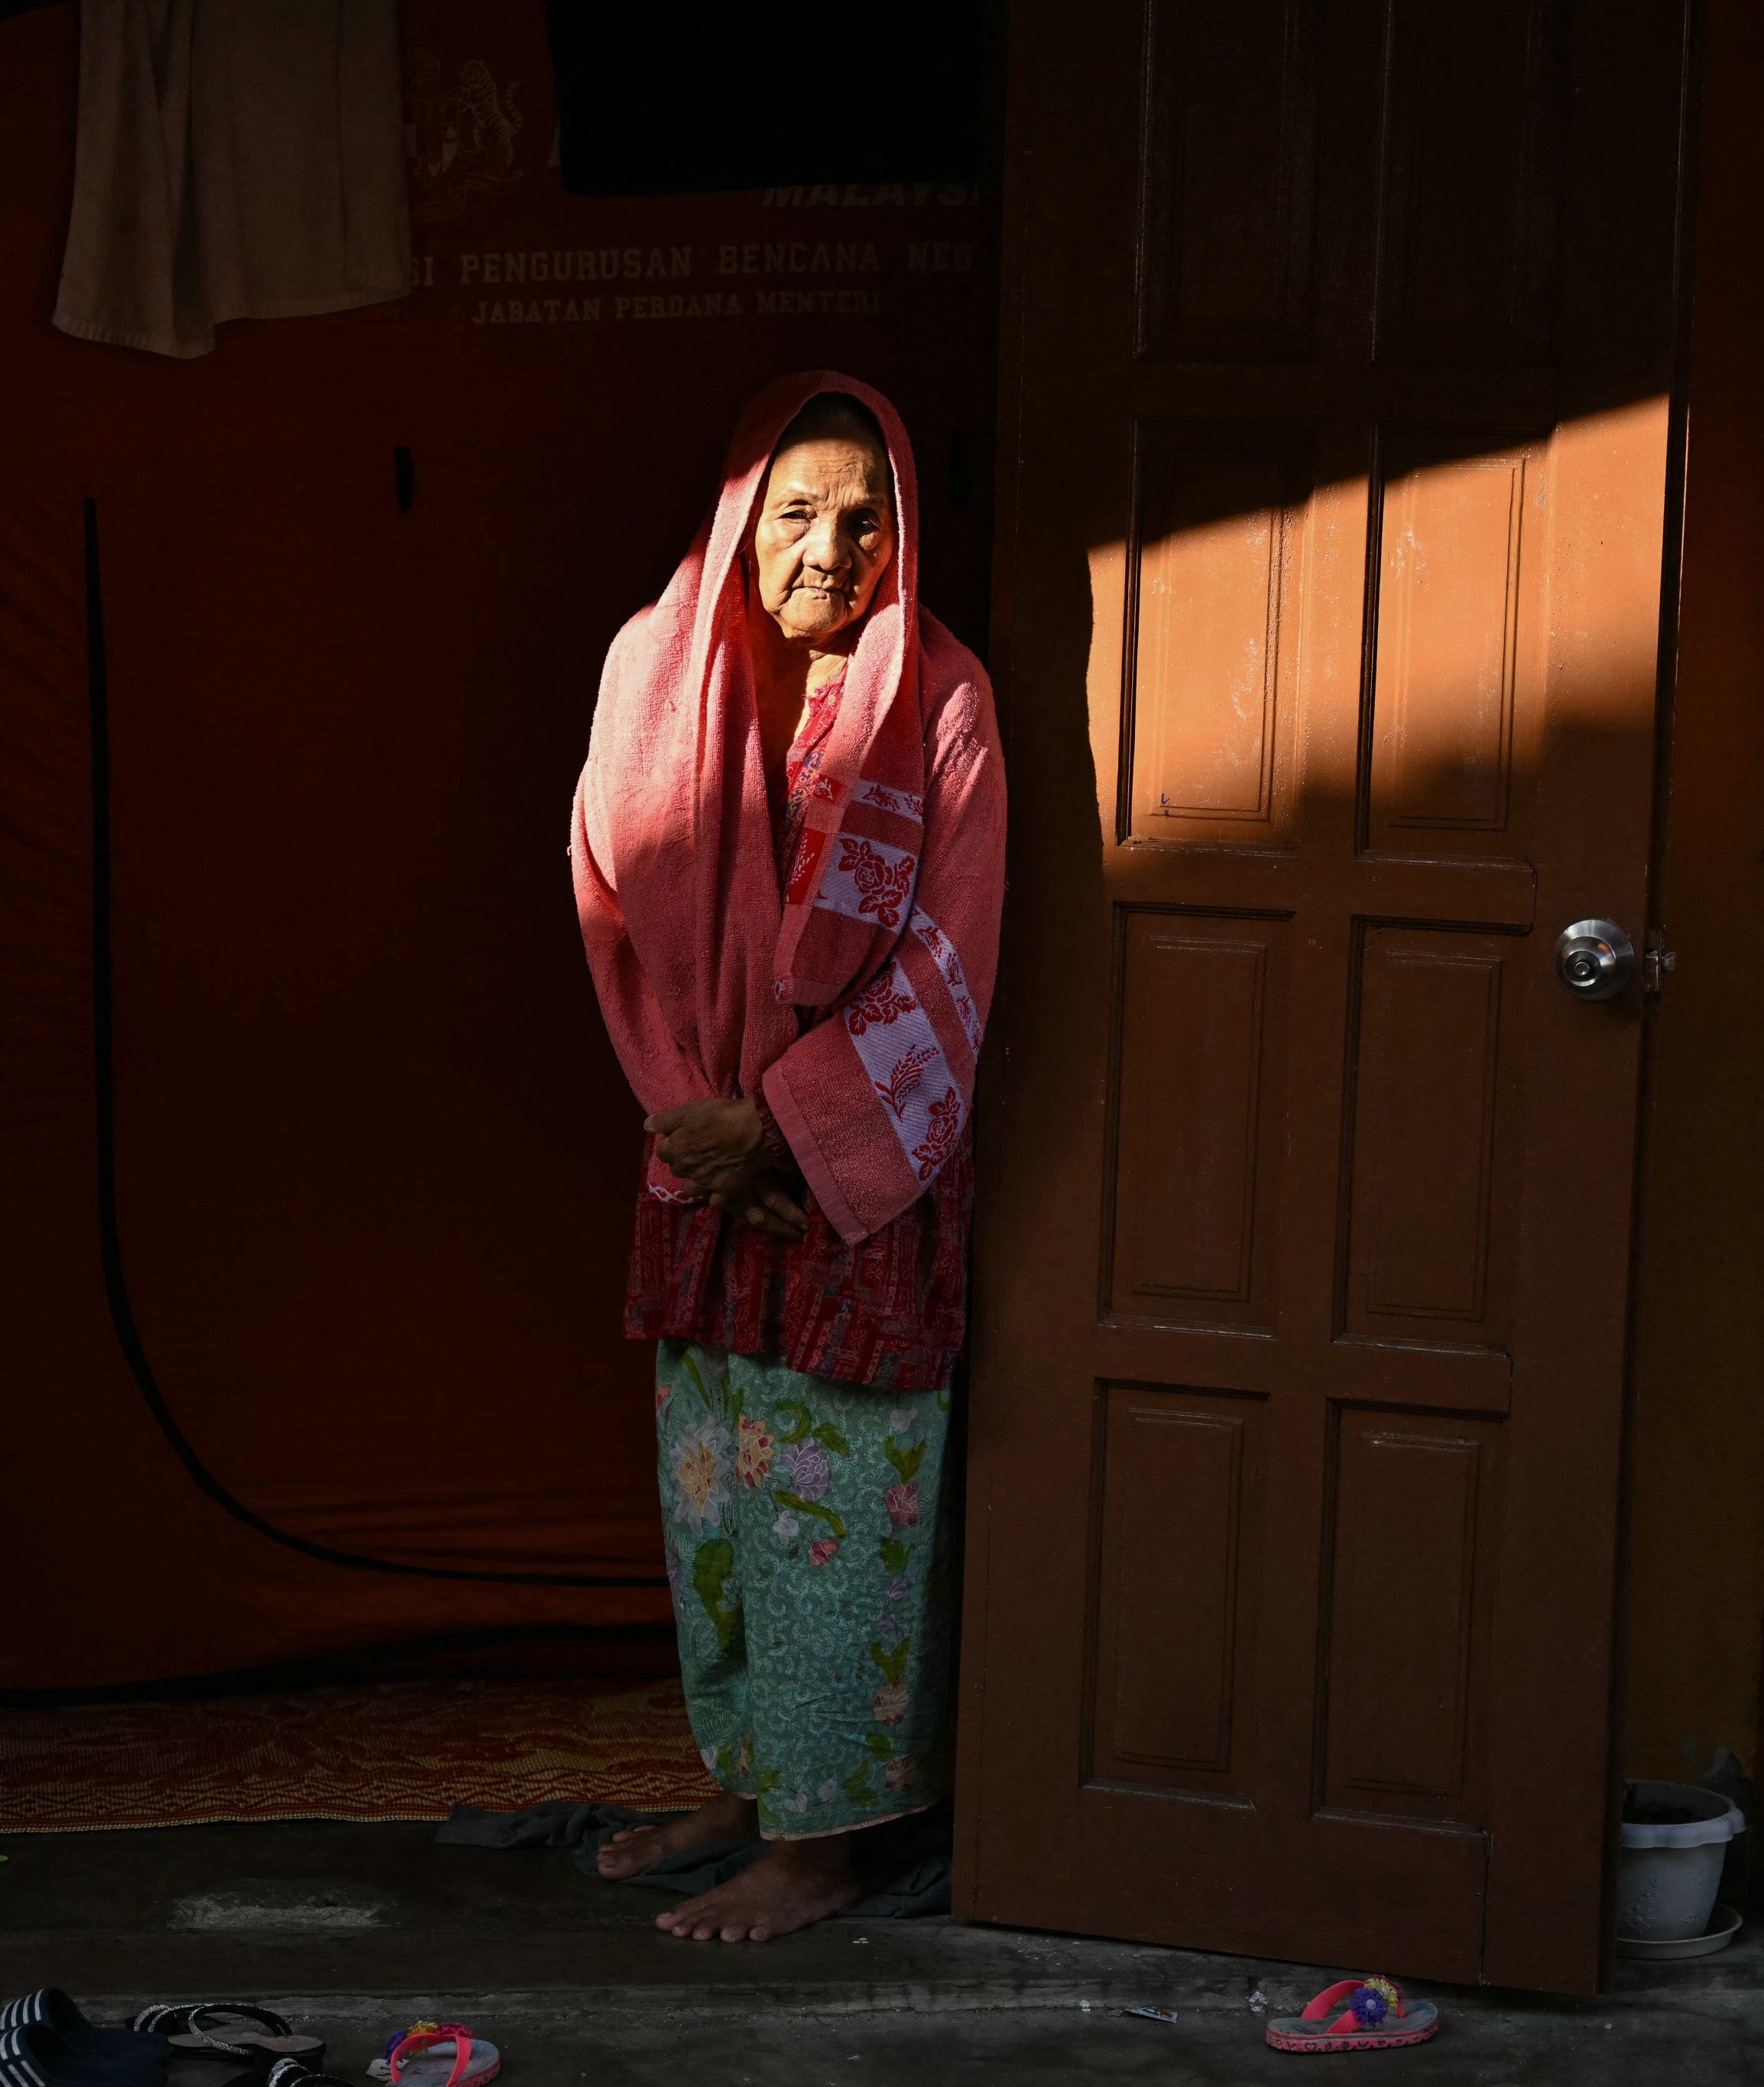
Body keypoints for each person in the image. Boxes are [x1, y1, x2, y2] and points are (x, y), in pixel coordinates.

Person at [569, 374, 1006, 1943]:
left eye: (863, 518)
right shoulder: (652, 664)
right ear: (739, 517)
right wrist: (690, 1113)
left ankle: (823, 1850)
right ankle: (747, 1786)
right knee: (720, 1506)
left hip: (851, 1182)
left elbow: (949, 959)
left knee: (836, 1517)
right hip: (696, 1157)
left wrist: (786, 1132)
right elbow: (608, 904)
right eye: (797, 513)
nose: (830, 549)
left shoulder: (937, 701)